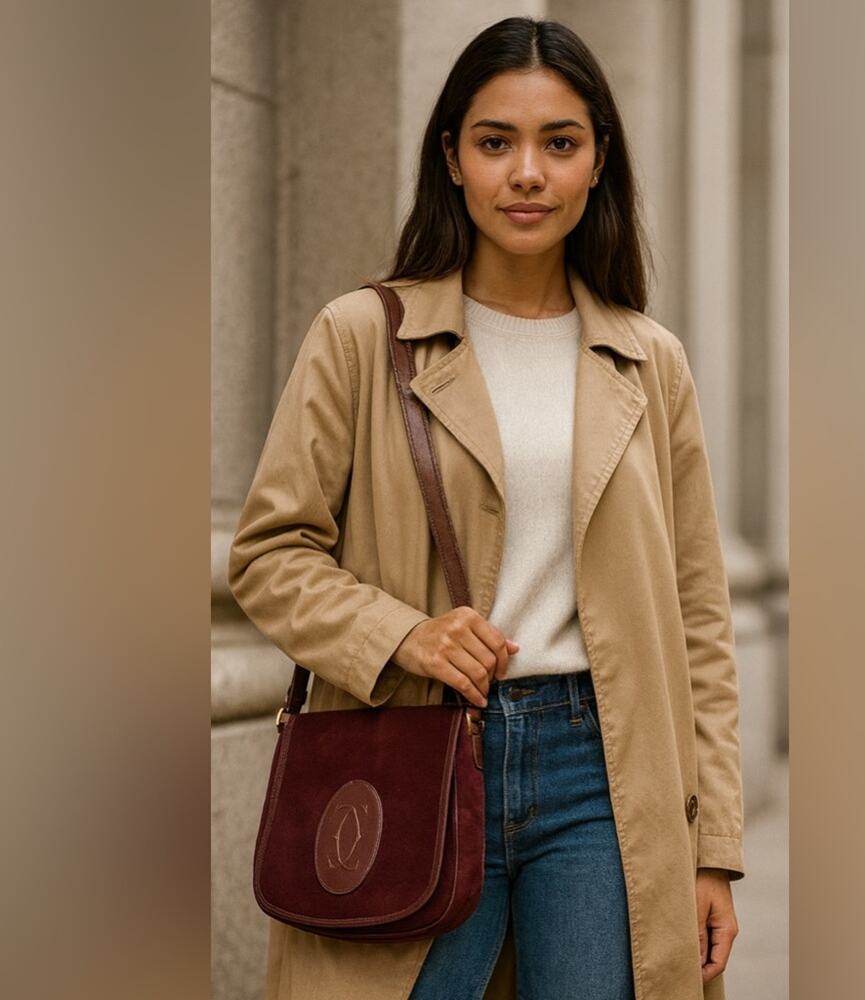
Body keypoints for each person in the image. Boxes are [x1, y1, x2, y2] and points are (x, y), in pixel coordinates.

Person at [229, 15, 744, 1000]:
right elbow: (267, 552)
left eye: (560, 143)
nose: (527, 173)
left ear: (598, 161)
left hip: (606, 772)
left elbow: (698, 618)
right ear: (452, 159)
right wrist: (403, 633)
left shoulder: (649, 359)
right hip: (413, 751)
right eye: (495, 141)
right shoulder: (360, 335)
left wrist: (711, 844)